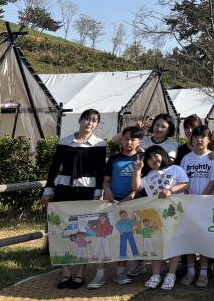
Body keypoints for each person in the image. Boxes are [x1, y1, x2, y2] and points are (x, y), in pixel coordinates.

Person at [42, 109, 107, 289]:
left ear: (96, 124)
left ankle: (80, 273)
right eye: (86, 119)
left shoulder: (99, 144)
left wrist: (97, 194)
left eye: (94, 120)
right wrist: (47, 191)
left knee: (84, 229)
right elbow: (54, 168)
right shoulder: (65, 141)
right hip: (63, 190)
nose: (89, 123)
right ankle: (65, 273)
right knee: (61, 227)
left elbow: (100, 171)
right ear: (80, 120)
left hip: (87, 192)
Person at [88, 126, 145, 289]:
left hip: (131, 205)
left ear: (139, 142)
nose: (129, 142)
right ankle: (99, 275)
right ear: (121, 140)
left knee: (123, 239)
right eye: (126, 139)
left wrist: (130, 196)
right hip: (111, 203)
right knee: (103, 236)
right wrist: (107, 191)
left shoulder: (141, 160)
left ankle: (120, 272)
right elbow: (106, 181)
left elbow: (141, 185)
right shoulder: (114, 158)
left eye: (133, 139)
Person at [131, 145, 189, 290]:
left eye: (155, 155)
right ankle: (156, 275)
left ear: (162, 154)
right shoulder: (148, 175)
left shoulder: (175, 169)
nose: (153, 160)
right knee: (156, 244)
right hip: (154, 215)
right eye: (149, 158)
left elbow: (185, 184)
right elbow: (136, 188)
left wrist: (170, 190)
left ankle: (171, 274)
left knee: (174, 244)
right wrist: (137, 170)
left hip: (174, 214)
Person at [180, 124, 214, 287]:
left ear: (209, 139)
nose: (198, 140)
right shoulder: (186, 159)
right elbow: (182, 181)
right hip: (189, 204)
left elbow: (213, 181)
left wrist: (201, 198)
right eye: (195, 137)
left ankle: (203, 273)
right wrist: (189, 197)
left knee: (205, 238)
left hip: (207, 204)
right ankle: (190, 271)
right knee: (189, 238)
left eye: (202, 136)